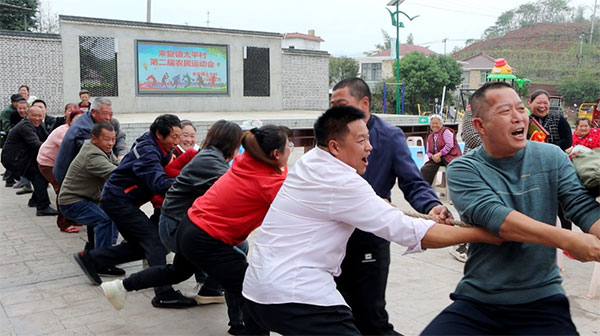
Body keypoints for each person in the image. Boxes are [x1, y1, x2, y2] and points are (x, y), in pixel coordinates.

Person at [242, 106, 501, 335]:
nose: (370, 147)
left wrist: (384, 205)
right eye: (361, 140)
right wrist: (485, 235)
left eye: (368, 138)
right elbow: (414, 232)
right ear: (334, 146)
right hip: (296, 296)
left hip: (256, 292)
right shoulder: (343, 182)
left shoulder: (309, 162)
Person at [421, 82, 600, 336]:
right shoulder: (463, 169)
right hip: (480, 299)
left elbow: (581, 206)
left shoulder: (552, 157)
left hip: (543, 299)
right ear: (480, 126)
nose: (518, 117)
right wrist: (571, 240)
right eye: (505, 111)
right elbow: (499, 219)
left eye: (520, 108)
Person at [100, 124, 291, 335]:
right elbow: (292, 202)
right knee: (248, 283)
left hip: (191, 227)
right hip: (200, 234)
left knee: (179, 271)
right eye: (288, 146)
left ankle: (121, 287)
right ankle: (241, 327)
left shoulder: (245, 162)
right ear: (275, 154)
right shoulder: (261, 180)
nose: (290, 149)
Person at [330, 78, 450, 335]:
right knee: (334, 314)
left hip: (368, 239)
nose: (335, 112)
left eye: (341, 104)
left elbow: (412, 182)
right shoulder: (330, 138)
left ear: (364, 104)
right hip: (329, 240)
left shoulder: (388, 136)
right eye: (332, 105)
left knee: (371, 319)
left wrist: (431, 206)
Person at [72, 114, 196, 309]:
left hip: (123, 199)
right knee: (154, 240)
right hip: (118, 200)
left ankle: (92, 258)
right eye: (174, 137)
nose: (177, 142)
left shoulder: (157, 146)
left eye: (179, 136)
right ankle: (163, 293)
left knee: (142, 245)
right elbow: (159, 183)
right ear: (159, 134)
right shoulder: (148, 152)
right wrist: (194, 184)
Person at [159, 120, 244, 306]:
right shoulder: (209, 161)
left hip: (185, 223)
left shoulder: (212, 156)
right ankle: (220, 298)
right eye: (239, 145)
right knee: (238, 251)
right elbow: (237, 188)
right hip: (175, 226)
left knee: (180, 271)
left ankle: (210, 288)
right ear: (231, 144)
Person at [59, 122, 121, 259]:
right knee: (104, 221)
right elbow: (117, 174)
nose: (111, 143)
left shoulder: (102, 150)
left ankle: (92, 252)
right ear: (94, 138)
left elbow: (120, 165)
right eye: (107, 139)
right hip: (72, 201)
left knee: (108, 215)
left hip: (86, 198)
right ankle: (102, 260)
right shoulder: (93, 155)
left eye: (113, 139)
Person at [53, 97, 127, 184]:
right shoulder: (85, 129)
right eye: (104, 114)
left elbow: (120, 136)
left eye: (110, 114)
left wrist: (122, 153)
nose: (108, 118)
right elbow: (96, 156)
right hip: (70, 177)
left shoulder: (109, 122)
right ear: (93, 112)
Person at [529, 89, 573, 231]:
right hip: (533, 168)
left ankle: (568, 239)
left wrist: (548, 149)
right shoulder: (526, 121)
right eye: (538, 102)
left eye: (545, 102)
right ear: (530, 103)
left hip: (556, 166)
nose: (542, 105)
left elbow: (568, 141)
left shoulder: (558, 118)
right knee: (537, 205)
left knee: (562, 206)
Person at [1, 106, 57, 216]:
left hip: (25, 157)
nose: (37, 118)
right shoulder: (25, 126)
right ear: (28, 115)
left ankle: (35, 200)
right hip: (14, 159)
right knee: (38, 175)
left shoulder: (39, 124)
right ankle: (43, 207)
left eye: (40, 116)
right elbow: (36, 144)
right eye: (34, 115)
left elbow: (47, 139)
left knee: (42, 172)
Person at [37, 109, 84, 233]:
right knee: (62, 191)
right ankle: (63, 223)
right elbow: (74, 151)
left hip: (59, 164)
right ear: (70, 120)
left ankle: (72, 218)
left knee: (70, 190)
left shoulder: (77, 131)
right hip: (48, 163)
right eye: (76, 120)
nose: (80, 122)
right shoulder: (65, 133)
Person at [420, 114, 462, 186]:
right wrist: (433, 157)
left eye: (437, 123)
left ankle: (453, 190)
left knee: (453, 170)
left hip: (450, 156)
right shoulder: (430, 136)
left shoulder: (446, 131)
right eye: (432, 123)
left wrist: (439, 154)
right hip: (437, 159)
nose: (434, 125)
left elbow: (449, 145)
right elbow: (428, 151)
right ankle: (425, 190)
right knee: (425, 169)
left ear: (441, 124)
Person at [1, 95, 27, 186]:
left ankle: (12, 178)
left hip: (21, 139)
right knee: (13, 157)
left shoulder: (25, 114)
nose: (22, 110)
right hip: (12, 138)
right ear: (13, 103)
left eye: (25, 108)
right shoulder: (9, 112)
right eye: (20, 108)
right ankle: (9, 178)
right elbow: (7, 126)